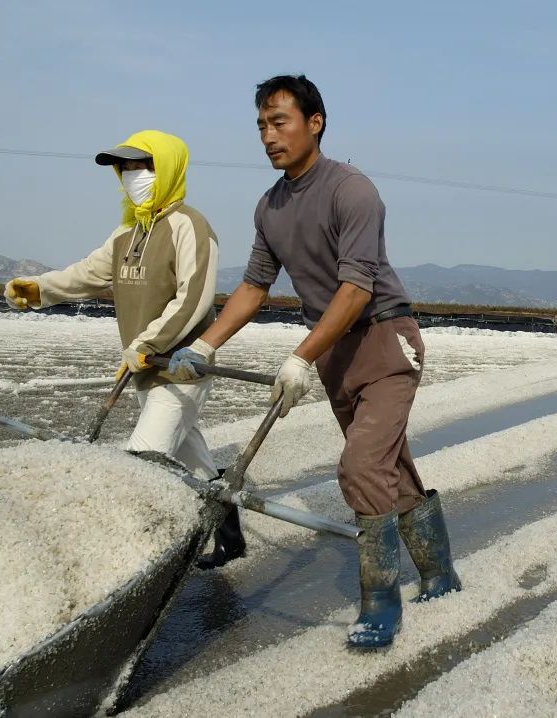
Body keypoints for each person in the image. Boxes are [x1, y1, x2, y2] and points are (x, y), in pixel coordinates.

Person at [168, 74, 462, 649]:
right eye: (261, 126)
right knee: (387, 466)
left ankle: (380, 602)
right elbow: (254, 286)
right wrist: (205, 345)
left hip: (384, 341)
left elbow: (355, 289)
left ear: (314, 123)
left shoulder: (352, 191)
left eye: (280, 122)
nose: (269, 136)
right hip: (334, 354)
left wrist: (299, 356)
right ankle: (440, 573)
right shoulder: (270, 207)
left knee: (358, 466)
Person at [2, 130, 243, 565]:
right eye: (126, 167)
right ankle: (230, 532)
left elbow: (194, 298)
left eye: (143, 166)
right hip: (144, 369)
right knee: (193, 459)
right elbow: (88, 274)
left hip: (181, 369)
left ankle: (129, 562)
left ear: (167, 168)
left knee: (140, 461)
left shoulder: (190, 226)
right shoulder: (127, 232)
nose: (133, 175)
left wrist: (147, 342)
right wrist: (38, 289)